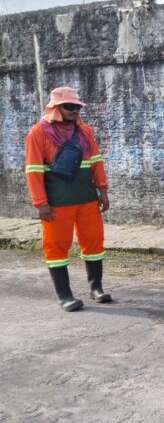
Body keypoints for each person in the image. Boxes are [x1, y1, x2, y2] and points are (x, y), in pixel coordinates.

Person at [24, 86, 111, 312]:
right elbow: (33, 170)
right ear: (55, 108)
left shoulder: (85, 132)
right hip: (57, 203)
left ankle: (96, 289)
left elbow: (96, 162)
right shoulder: (38, 133)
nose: (74, 110)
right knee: (56, 247)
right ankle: (65, 296)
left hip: (87, 199)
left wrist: (102, 190)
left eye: (76, 107)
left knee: (93, 242)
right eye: (69, 106)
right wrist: (41, 203)